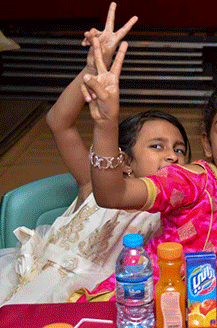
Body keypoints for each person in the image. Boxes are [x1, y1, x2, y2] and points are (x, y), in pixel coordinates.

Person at [0, 3, 192, 306]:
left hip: (96, 301)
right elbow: (59, 122)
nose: (172, 156)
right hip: (32, 286)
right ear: (124, 162)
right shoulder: (95, 185)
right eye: (157, 146)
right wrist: (92, 69)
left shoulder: (168, 213)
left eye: (179, 149)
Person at [80, 38, 217, 298]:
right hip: (136, 304)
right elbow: (112, 194)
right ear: (207, 143)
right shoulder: (190, 182)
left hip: (202, 312)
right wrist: (106, 124)